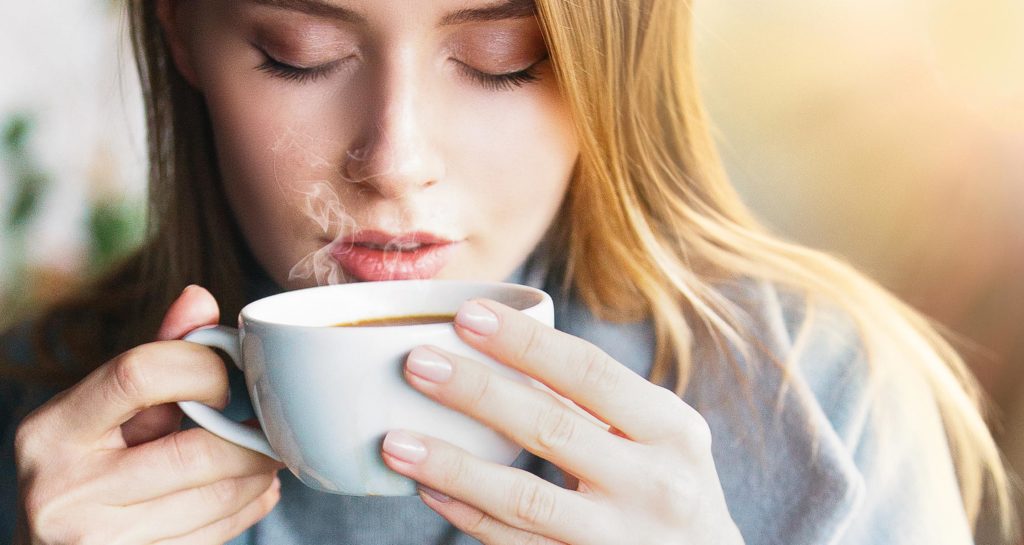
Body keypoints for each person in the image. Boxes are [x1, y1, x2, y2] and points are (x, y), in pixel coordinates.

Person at [0, 0, 1015, 543]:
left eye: (501, 55)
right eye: (298, 51)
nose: (395, 159)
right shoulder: (38, 429)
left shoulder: (823, 397)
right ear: (178, 29)